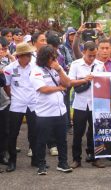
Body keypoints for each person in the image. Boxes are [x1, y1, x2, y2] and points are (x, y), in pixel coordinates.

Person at [29, 45, 72, 175]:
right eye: (51, 58)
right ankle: (41, 164)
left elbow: (67, 83)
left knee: (62, 139)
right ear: (44, 58)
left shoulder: (55, 68)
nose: (54, 60)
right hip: (45, 112)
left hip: (60, 111)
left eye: (54, 57)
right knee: (42, 140)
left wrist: (59, 70)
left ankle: (63, 163)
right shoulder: (36, 71)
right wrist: (59, 88)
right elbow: (43, 89)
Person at [68, 41, 106, 169]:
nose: (92, 58)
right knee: (78, 132)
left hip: (96, 103)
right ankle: (76, 159)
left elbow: (105, 82)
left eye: (94, 55)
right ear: (83, 52)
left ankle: (95, 157)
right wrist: (84, 80)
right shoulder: (76, 65)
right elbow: (69, 82)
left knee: (95, 132)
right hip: (80, 104)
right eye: (89, 55)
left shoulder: (100, 65)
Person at [3, 42, 37, 172]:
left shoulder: (35, 67)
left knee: (34, 133)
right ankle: (12, 161)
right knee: (13, 134)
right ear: (19, 56)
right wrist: (13, 96)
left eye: (29, 55)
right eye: (26, 55)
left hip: (33, 104)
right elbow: (7, 86)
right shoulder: (9, 68)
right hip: (17, 105)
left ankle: (36, 159)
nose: (28, 58)